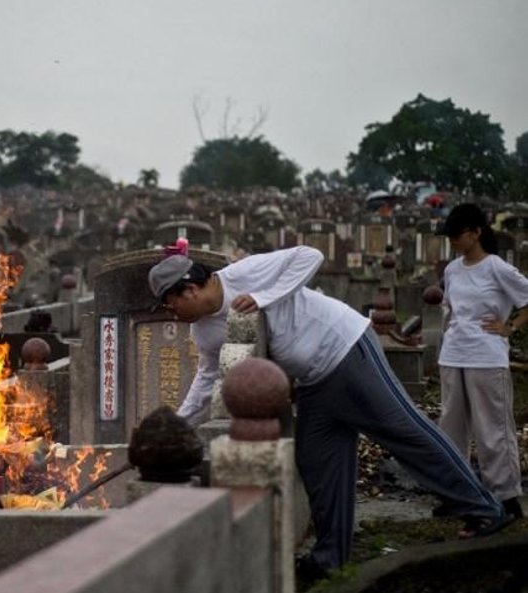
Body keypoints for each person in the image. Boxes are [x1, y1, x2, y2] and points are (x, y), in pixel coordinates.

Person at [148, 245, 511, 581]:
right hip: (313, 383)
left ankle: (484, 508)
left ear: (189, 290)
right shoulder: (204, 331)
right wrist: (177, 425)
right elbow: (209, 378)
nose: (171, 313)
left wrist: (261, 297)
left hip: (347, 350)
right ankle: (330, 558)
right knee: (318, 462)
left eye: (169, 304)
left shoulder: (244, 274)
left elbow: (310, 256)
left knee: (405, 432)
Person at [437, 203, 528, 520]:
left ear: (475, 233)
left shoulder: (496, 268)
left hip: (487, 357)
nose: (453, 242)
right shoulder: (452, 269)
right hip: (453, 356)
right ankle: (457, 493)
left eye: (456, 235)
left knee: (493, 430)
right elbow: (450, 309)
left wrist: (509, 327)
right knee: (451, 428)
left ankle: (506, 497)